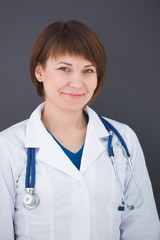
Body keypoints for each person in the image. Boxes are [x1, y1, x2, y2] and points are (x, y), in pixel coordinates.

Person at [0, 20, 159, 240]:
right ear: (39, 71)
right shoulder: (7, 147)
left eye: (88, 70)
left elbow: (143, 227)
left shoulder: (123, 141)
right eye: (64, 68)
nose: (77, 83)